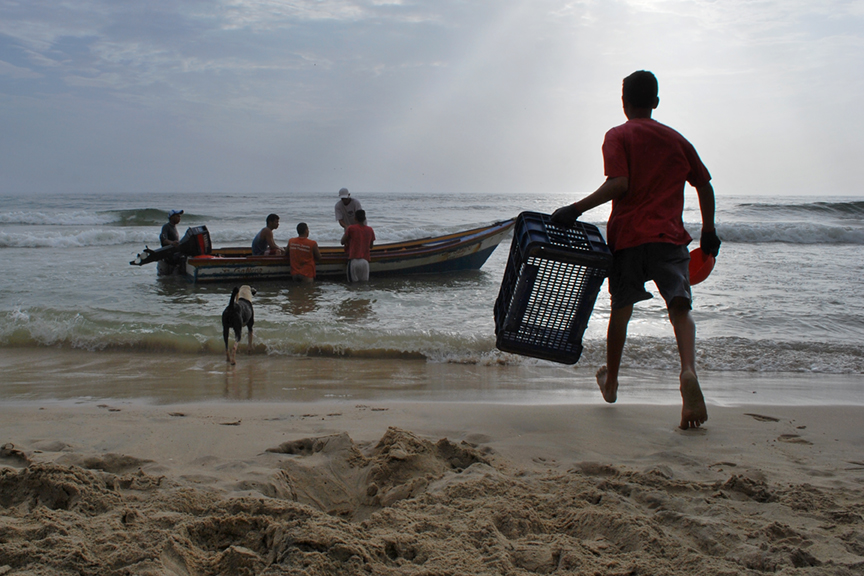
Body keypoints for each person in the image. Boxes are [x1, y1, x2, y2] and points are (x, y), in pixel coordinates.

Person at [551, 70, 721, 431]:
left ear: (624, 102)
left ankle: (611, 383)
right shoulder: (676, 139)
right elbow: (704, 185)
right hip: (668, 238)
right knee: (679, 306)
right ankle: (688, 371)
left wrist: (575, 209)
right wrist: (708, 230)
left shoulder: (617, 135)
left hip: (628, 238)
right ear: (656, 102)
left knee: (621, 312)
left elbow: (620, 183)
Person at [341, 209, 375, 282]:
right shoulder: (370, 230)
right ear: (365, 218)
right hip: (365, 262)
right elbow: (371, 246)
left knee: (353, 286)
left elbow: (342, 241)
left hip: (354, 260)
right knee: (364, 286)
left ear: (355, 218)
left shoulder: (351, 228)